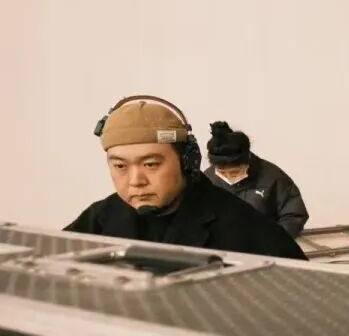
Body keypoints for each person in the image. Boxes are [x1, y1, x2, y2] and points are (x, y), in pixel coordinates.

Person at [67, 95, 307, 261]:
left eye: (150, 164)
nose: (135, 181)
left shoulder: (244, 227)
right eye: (120, 166)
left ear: (187, 162)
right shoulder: (98, 220)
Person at [204, 121, 310, 238]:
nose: (228, 176)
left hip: (265, 244)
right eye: (222, 172)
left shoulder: (273, 177)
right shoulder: (207, 180)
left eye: (234, 172)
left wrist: (274, 241)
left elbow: (293, 215)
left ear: (247, 160)